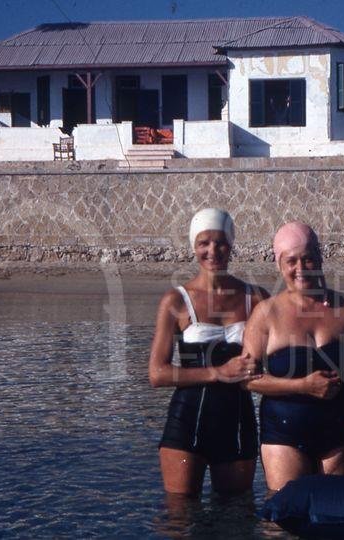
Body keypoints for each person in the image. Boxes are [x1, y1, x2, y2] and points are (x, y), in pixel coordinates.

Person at [242, 221, 344, 491]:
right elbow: (248, 380)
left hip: (337, 430)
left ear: (320, 257)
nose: (300, 269)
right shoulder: (266, 313)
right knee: (284, 520)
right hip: (284, 432)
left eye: (308, 259)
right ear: (279, 264)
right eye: (291, 261)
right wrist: (302, 385)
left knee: (337, 515)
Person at [149, 208, 269, 496]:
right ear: (194, 246)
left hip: (238, 424)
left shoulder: (257, 298)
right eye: (204, 243)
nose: (213, 250)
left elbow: (277, 356)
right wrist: (217, 372)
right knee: (179, 520)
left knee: (237, 521)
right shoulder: (176, 300)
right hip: (185, 421)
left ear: (231, 245)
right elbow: (157, 373)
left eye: (220, 242)